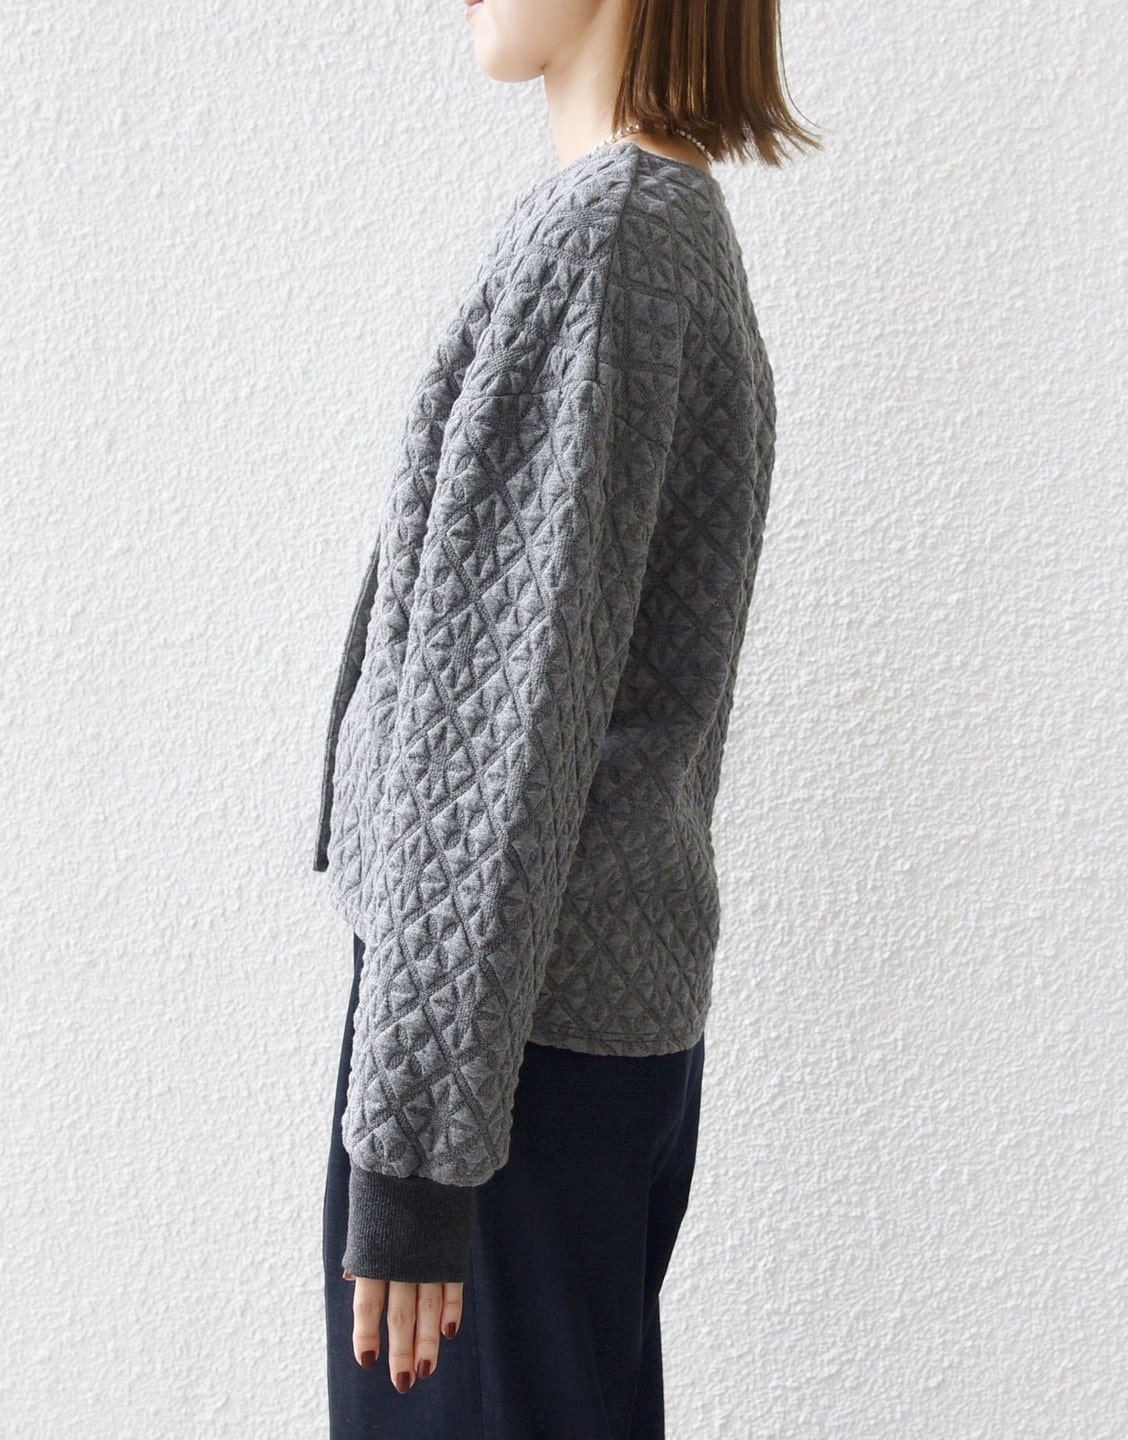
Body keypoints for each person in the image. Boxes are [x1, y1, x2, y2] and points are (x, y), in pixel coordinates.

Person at [313, 1, 822, 1434]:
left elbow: (496, 734)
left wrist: (419, 1156)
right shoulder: (665, 228)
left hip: (502, 1063)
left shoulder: (605, 242)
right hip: (557, 1036)